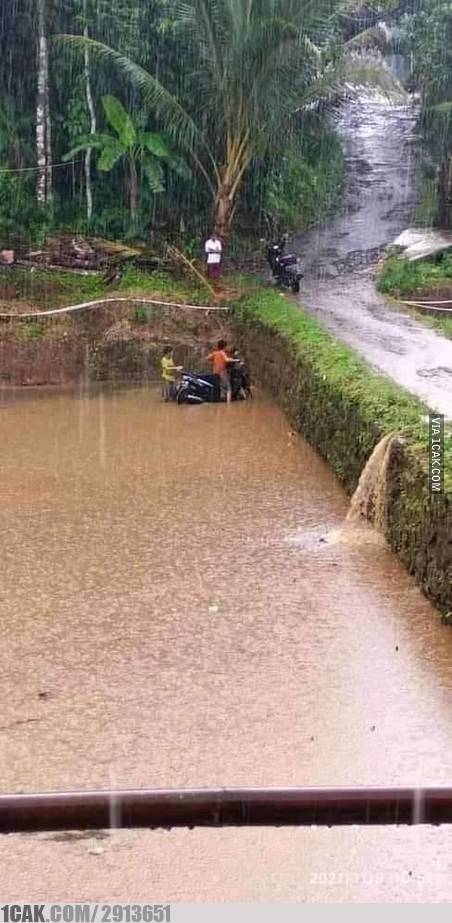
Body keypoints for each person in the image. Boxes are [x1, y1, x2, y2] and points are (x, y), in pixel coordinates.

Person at [207, 338, 236, 403]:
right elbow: (226, 360)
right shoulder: (222, 353)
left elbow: (208, 358)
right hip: (222, 373)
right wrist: (235, 360)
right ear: (224, 346)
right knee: (228, 389)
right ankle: (228, 405)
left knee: (219, 388)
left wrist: (213, 360)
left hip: (215, 373)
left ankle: (220, 402)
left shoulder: (215, 353)